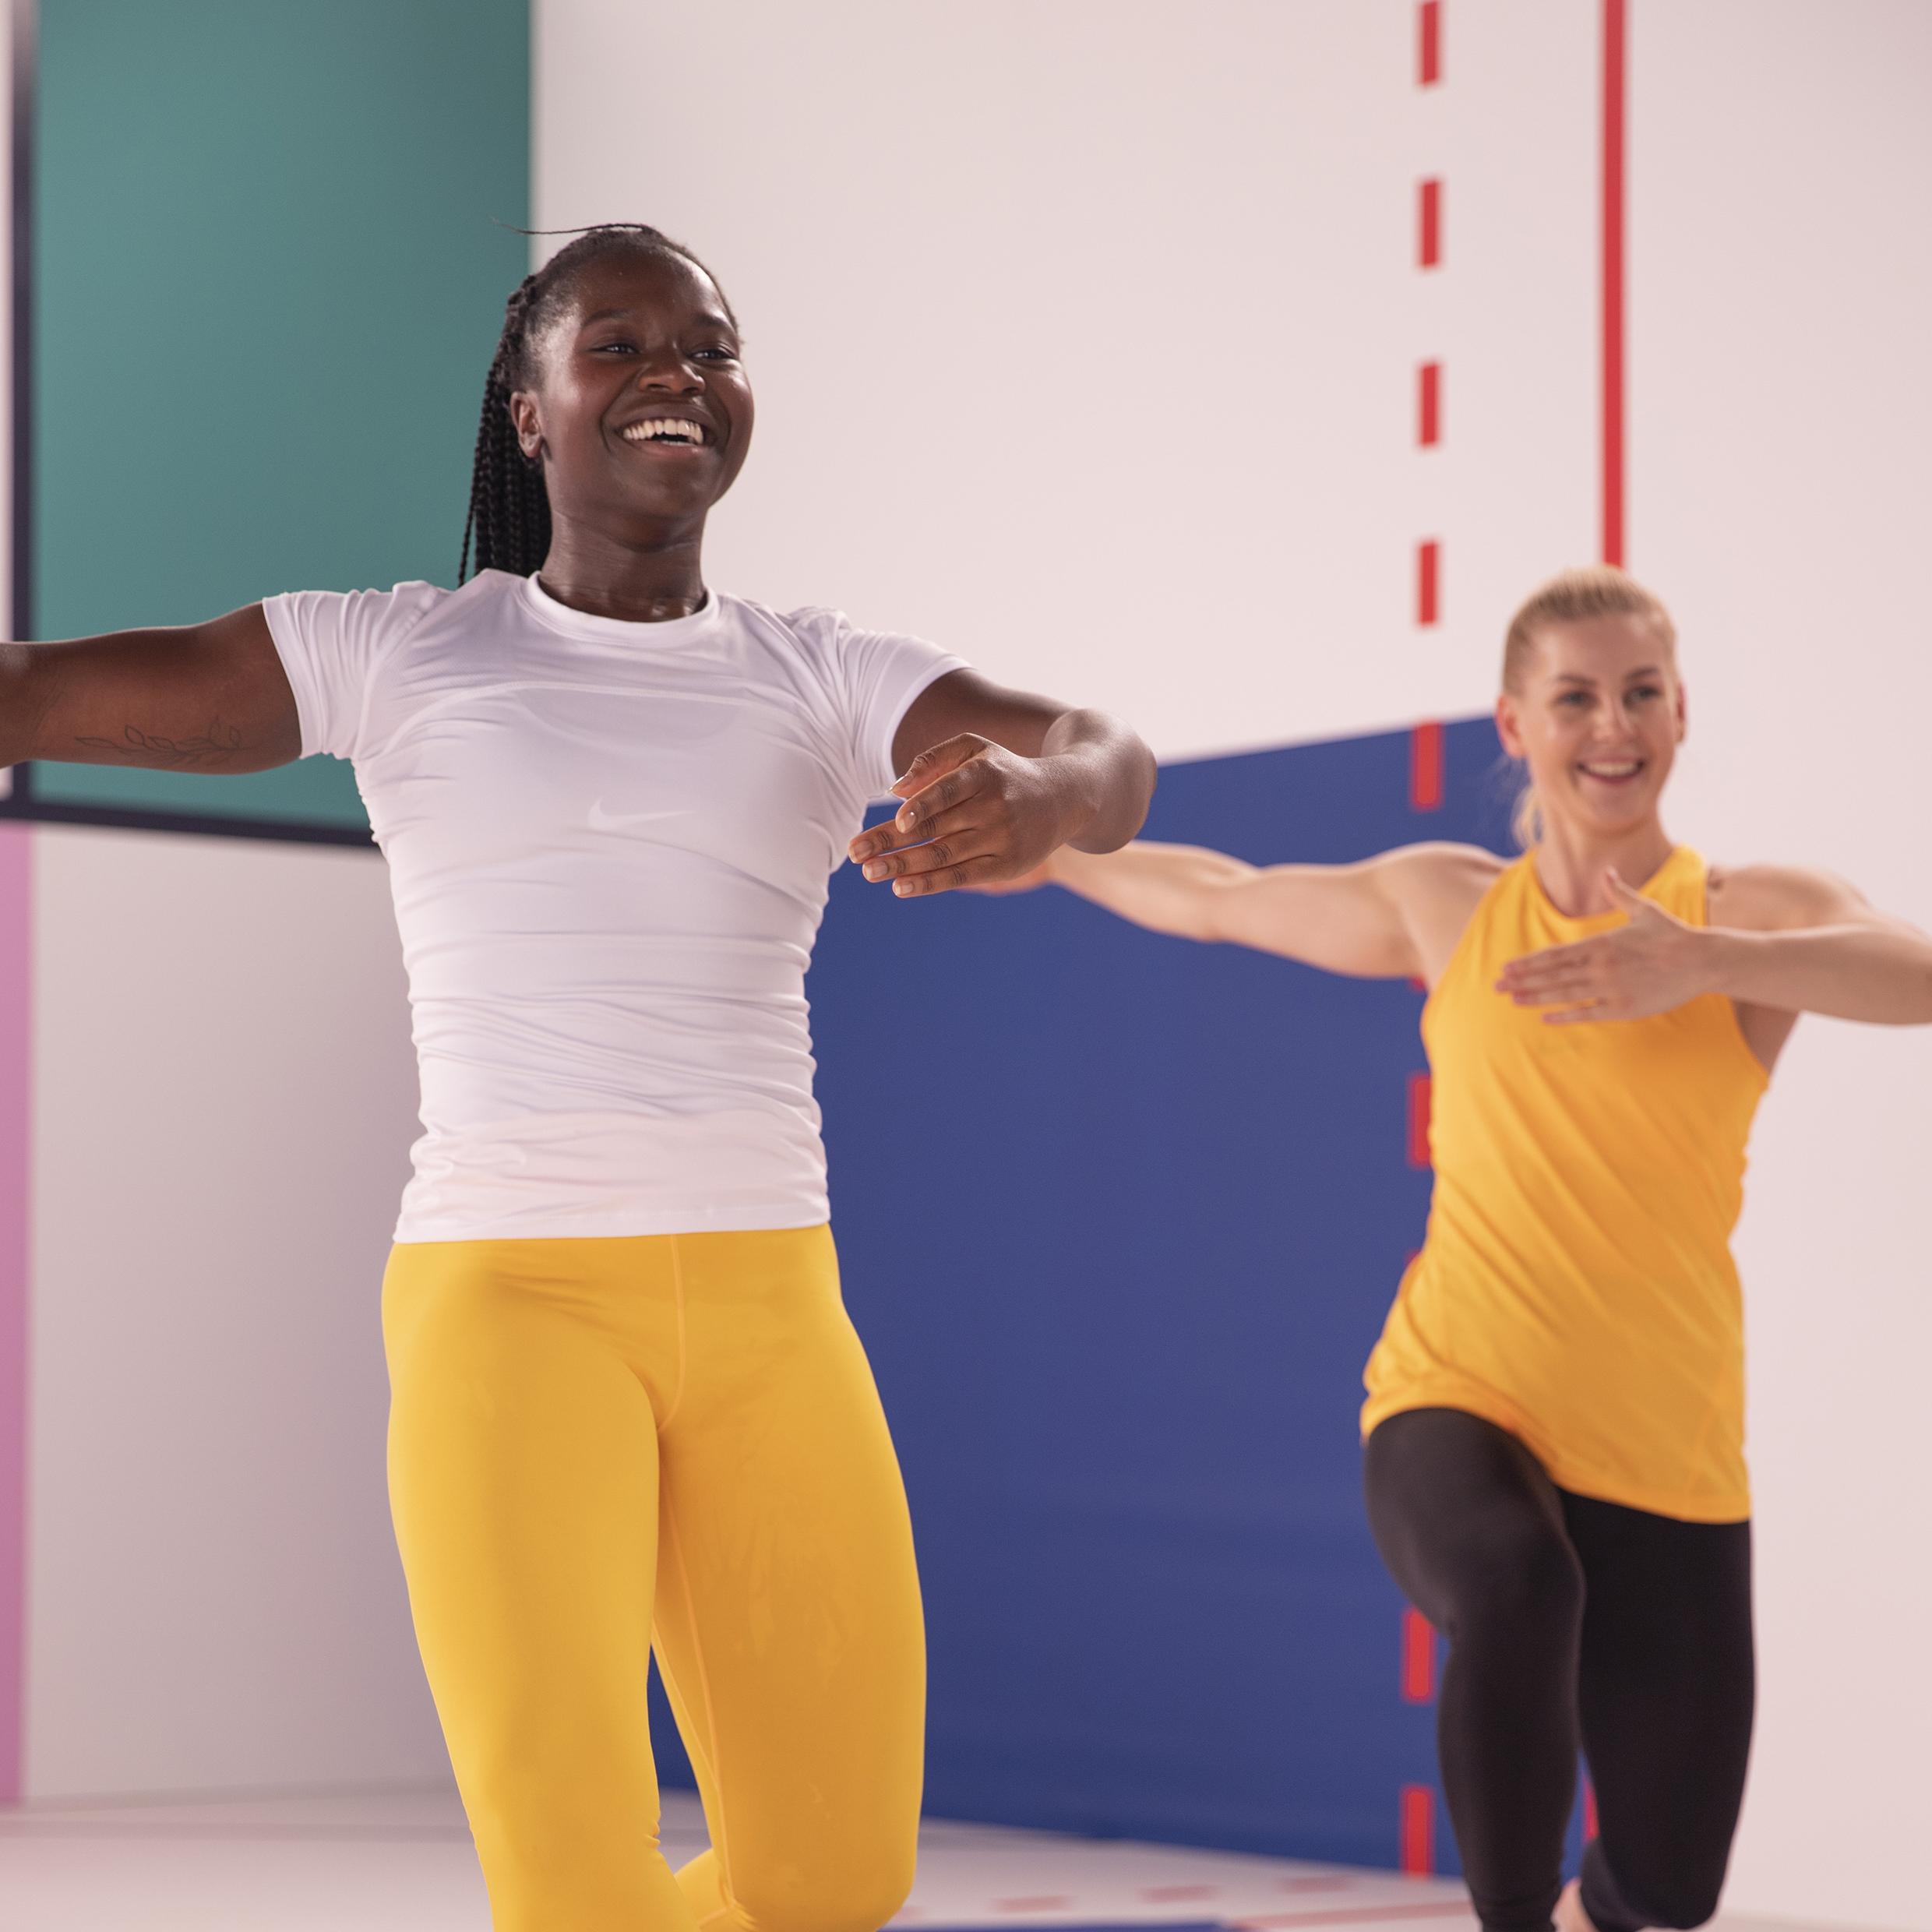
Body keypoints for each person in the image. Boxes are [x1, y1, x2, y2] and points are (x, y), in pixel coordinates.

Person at [0, 223, 1155, 1932]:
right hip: (507, 1303)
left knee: (834, 1881)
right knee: (575, 1892)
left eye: (708, 343)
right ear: (529, 413)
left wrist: (1051, 804)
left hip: (774, 1308)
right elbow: (41, 695)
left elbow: (1105, 754)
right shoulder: (396, 653)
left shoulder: (819, 673)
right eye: (617, 344)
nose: (674, 371)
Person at [1000, 566, 1932, 1932]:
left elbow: (1916, 971)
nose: (1609, 726)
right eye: (1574, 698)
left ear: (1681, 714)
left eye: (1638, 694)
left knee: (1666, 1893)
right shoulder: (1449, 904)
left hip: (1668, 1451)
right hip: (1456, 1397)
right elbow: (1220, 893)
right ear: (1514, 722)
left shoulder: (1744, 912)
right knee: (1515, 1581)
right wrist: (1041, 844)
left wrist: (1705, 967)